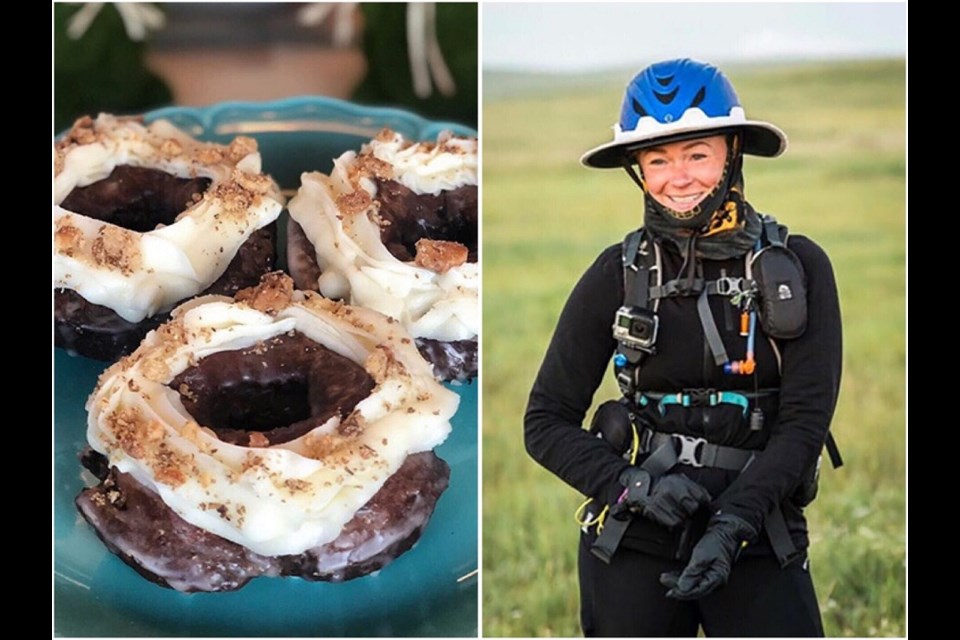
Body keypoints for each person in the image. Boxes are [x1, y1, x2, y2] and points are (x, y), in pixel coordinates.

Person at [523, 58, 842, 637]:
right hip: (633, 535)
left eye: (697, 153)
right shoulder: (616, 274)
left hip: (759, 530)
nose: (680, 176)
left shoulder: (801, 267)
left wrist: (733, 524)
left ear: (731, 153)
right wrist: (635, 488)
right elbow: (545, 422)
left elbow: (805, 423)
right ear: (637, 170)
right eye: (658, 159)